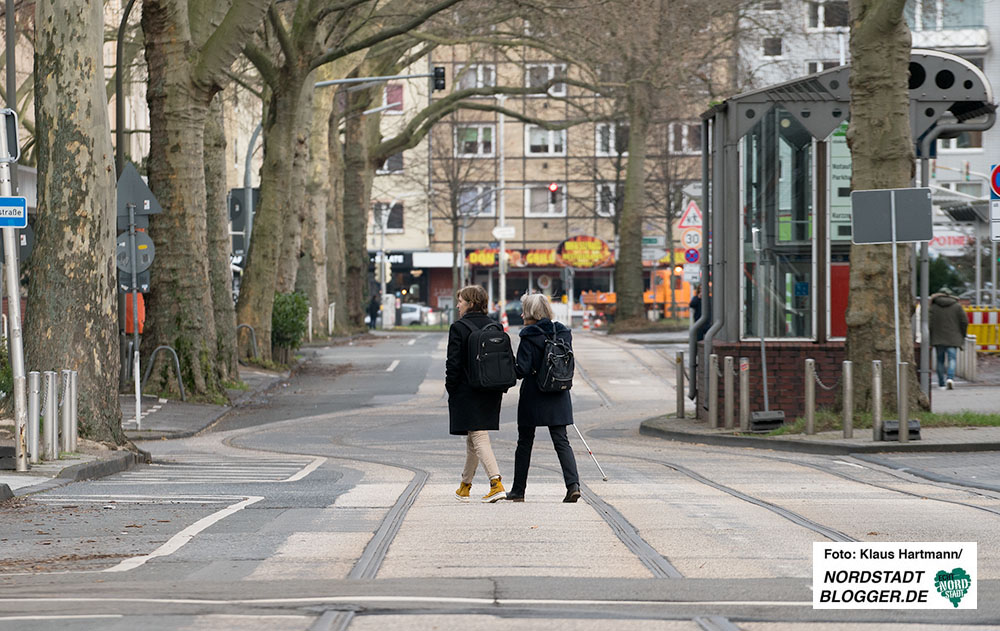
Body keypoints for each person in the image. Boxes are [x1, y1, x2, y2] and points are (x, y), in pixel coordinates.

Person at [507, 293, 580, 503]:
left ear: (531, 313)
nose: (521, 315)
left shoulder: (529, 336)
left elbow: (522, 369)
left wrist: (507, 363)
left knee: (525, 441)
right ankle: (572, 485)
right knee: (561, 440)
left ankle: (518, 490)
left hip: (534, 394)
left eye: (524, 310)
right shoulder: (563, 332)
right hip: (559, 391)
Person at [446, 285, 507, 502]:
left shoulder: (458, 328)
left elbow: (453, 364)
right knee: (473, 437)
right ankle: (465, 486)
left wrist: (450, 388)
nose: (457, 305)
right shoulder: (495, 326)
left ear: (470, 303)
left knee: (479, 435)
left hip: (467, 391)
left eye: (460, 301)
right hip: (491, 388)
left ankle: (495, 482)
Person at [929, 287, 968, 390]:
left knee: (940, 360)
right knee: (952, 359)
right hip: (953, 337)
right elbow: (964, 321)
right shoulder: (957, 306)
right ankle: (950, 378)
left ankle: (941, 383)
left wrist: (930, 336)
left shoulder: (933, 307)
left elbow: (929, 323)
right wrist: (962, 334)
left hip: (938, 338)